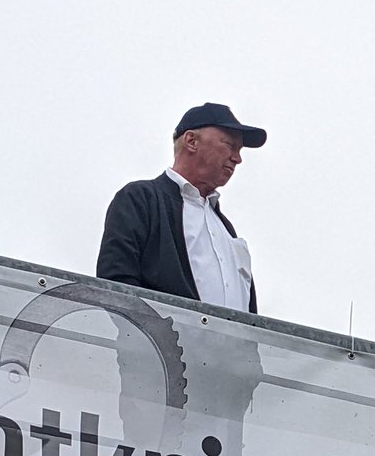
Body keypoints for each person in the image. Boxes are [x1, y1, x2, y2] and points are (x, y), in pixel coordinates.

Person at [96, 102, 266, 312]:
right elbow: (116, 283)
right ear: (191, 141)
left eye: (239, 150)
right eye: (230, 145)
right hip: (160, 344)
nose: (237, 158)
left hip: (232, 345)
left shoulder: (226, 228)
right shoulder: (141, 199)